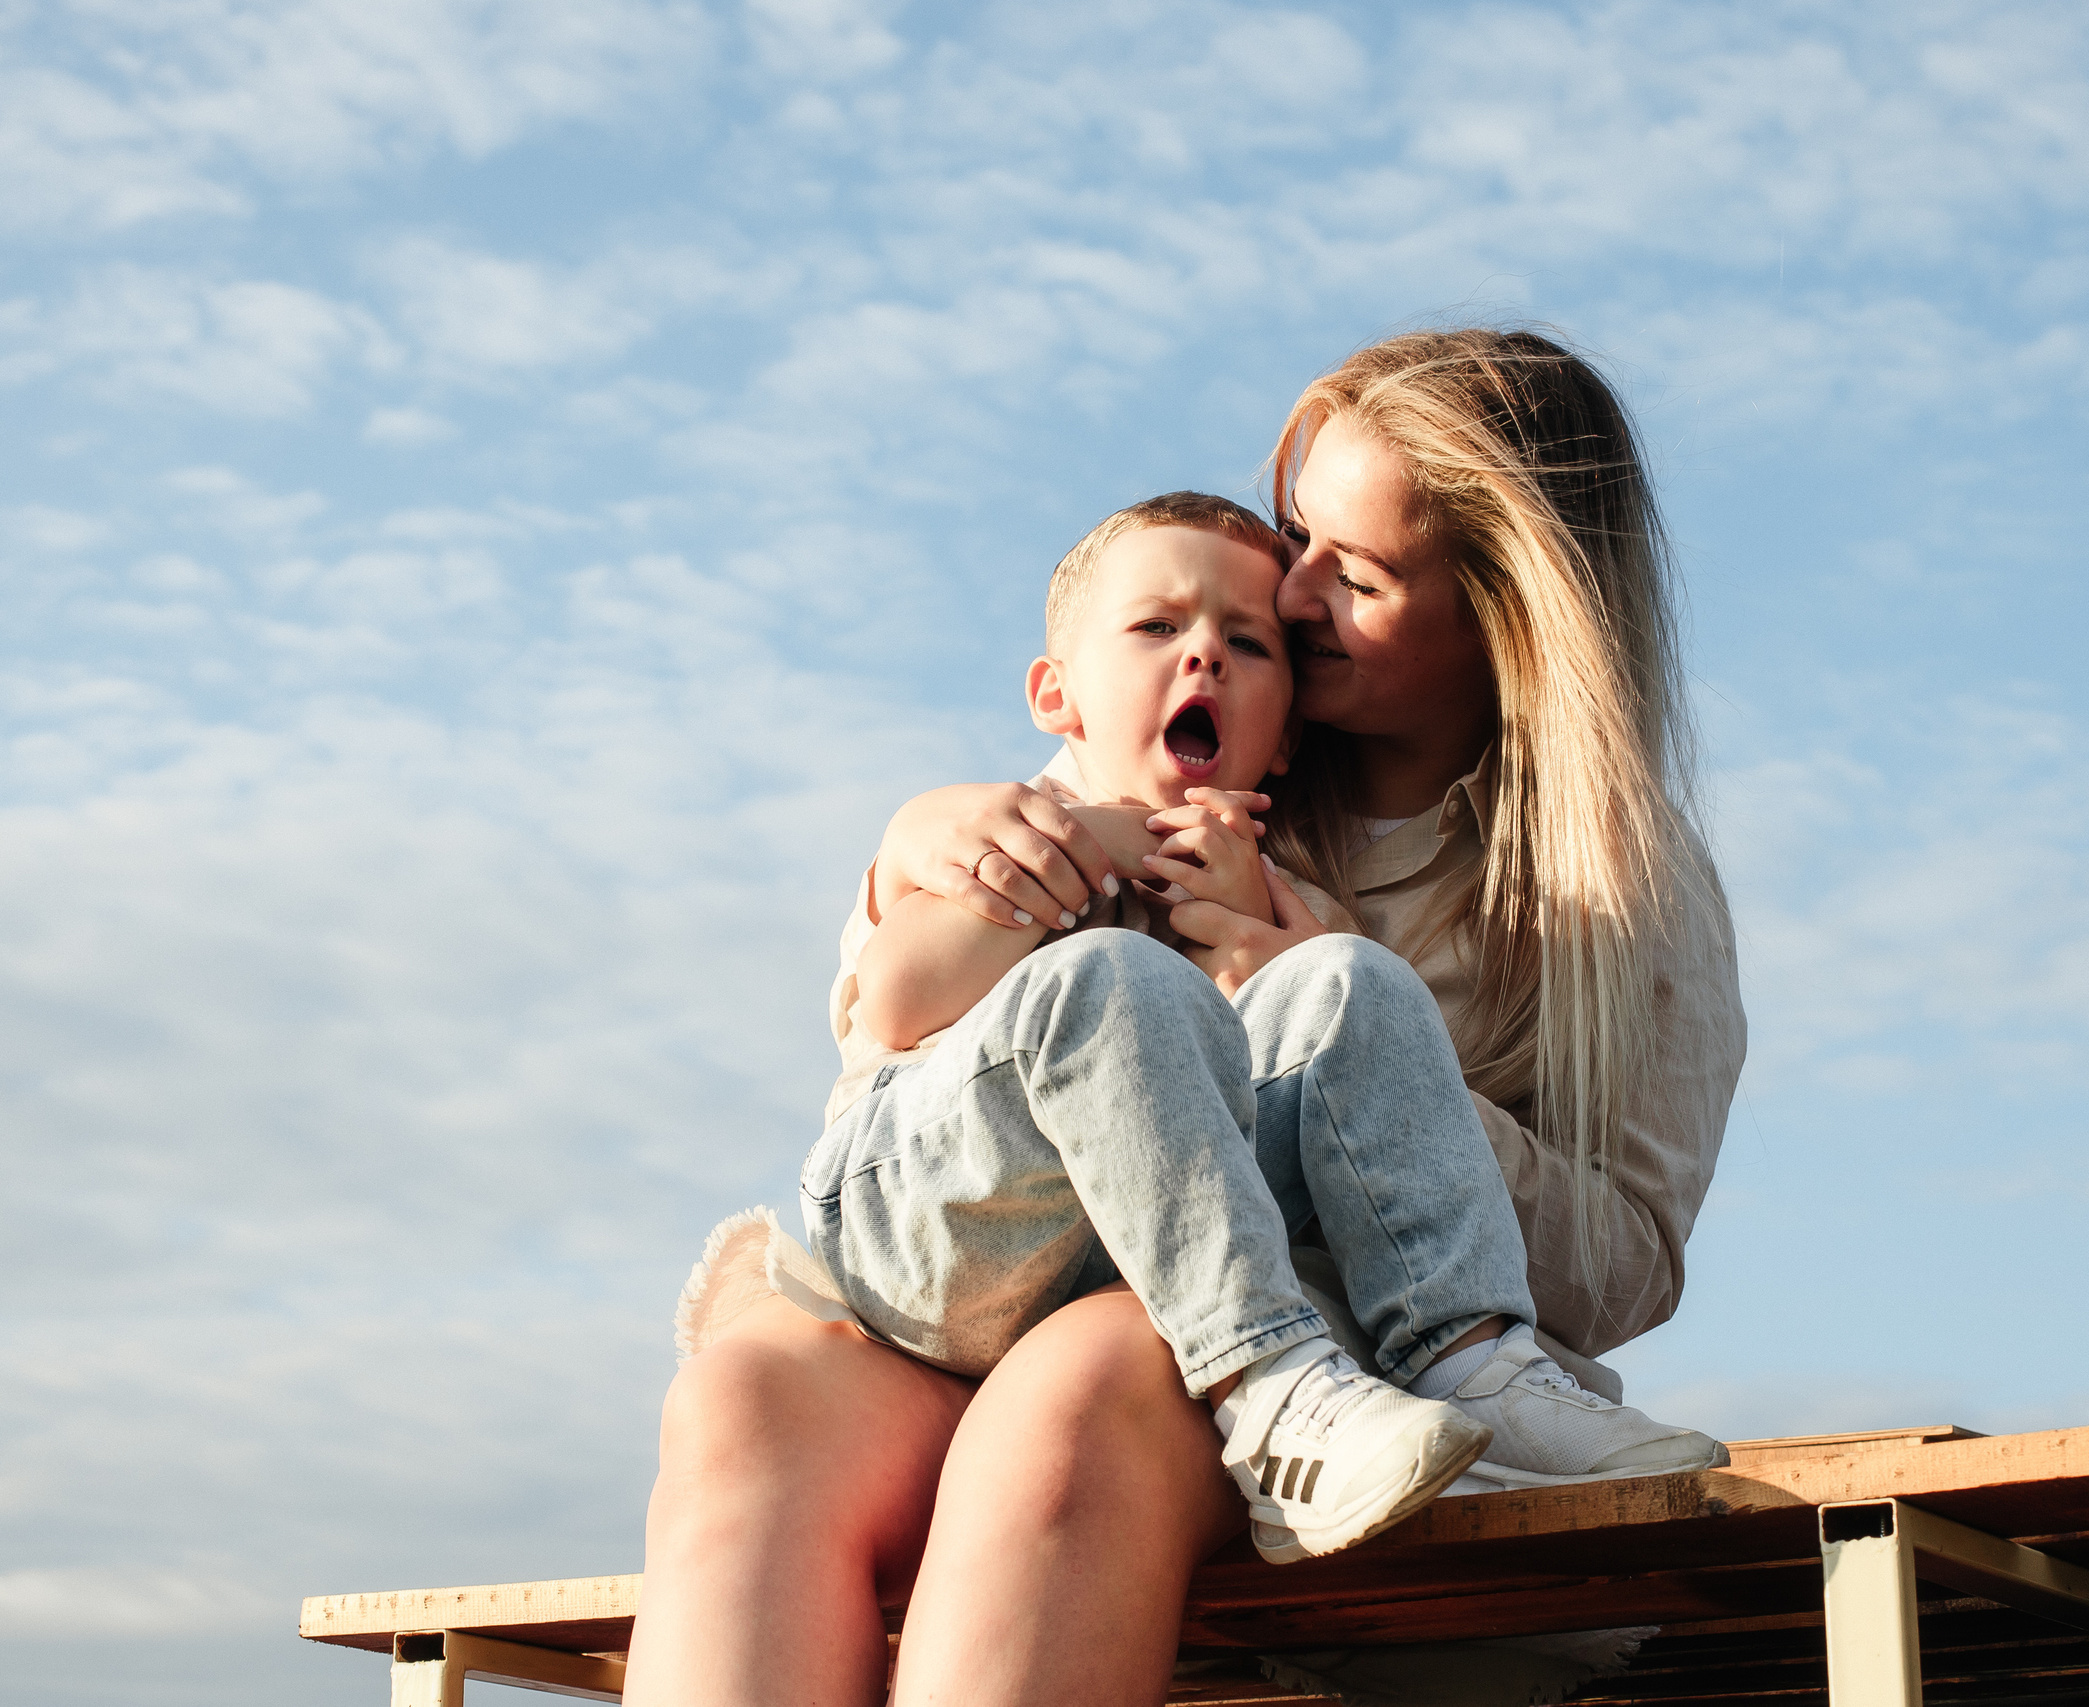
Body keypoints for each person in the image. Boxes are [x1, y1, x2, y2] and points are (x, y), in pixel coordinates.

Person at [624, 328, 1746, 1707]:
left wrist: (1358, 1048)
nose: (1297, 588)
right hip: (1020, 1278)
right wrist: (914, 842)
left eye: (1359, 576)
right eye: (1300, 534)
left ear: (1502, 621)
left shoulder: (1615, 883)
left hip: (1310, 1352)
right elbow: (906, 1010)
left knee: (1083, 1376)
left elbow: (1626, 1265)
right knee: (747, 1402)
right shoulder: (1205, 734)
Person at [806, 486, 1507, 1561]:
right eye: (1155, 626)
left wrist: (1241, 946)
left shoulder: (1282, 901)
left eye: (1248, 644)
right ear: (1058, 694)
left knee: (1351, 981)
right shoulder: (1024, 836)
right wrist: (1097, 845)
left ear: (1284, 740)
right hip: (923, 1221)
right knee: (1112, 977)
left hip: (1118, 1270)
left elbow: (1309, 1126)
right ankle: (1270, 1395)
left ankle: (1476, 1364)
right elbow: (897, 999)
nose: (1205, 654)